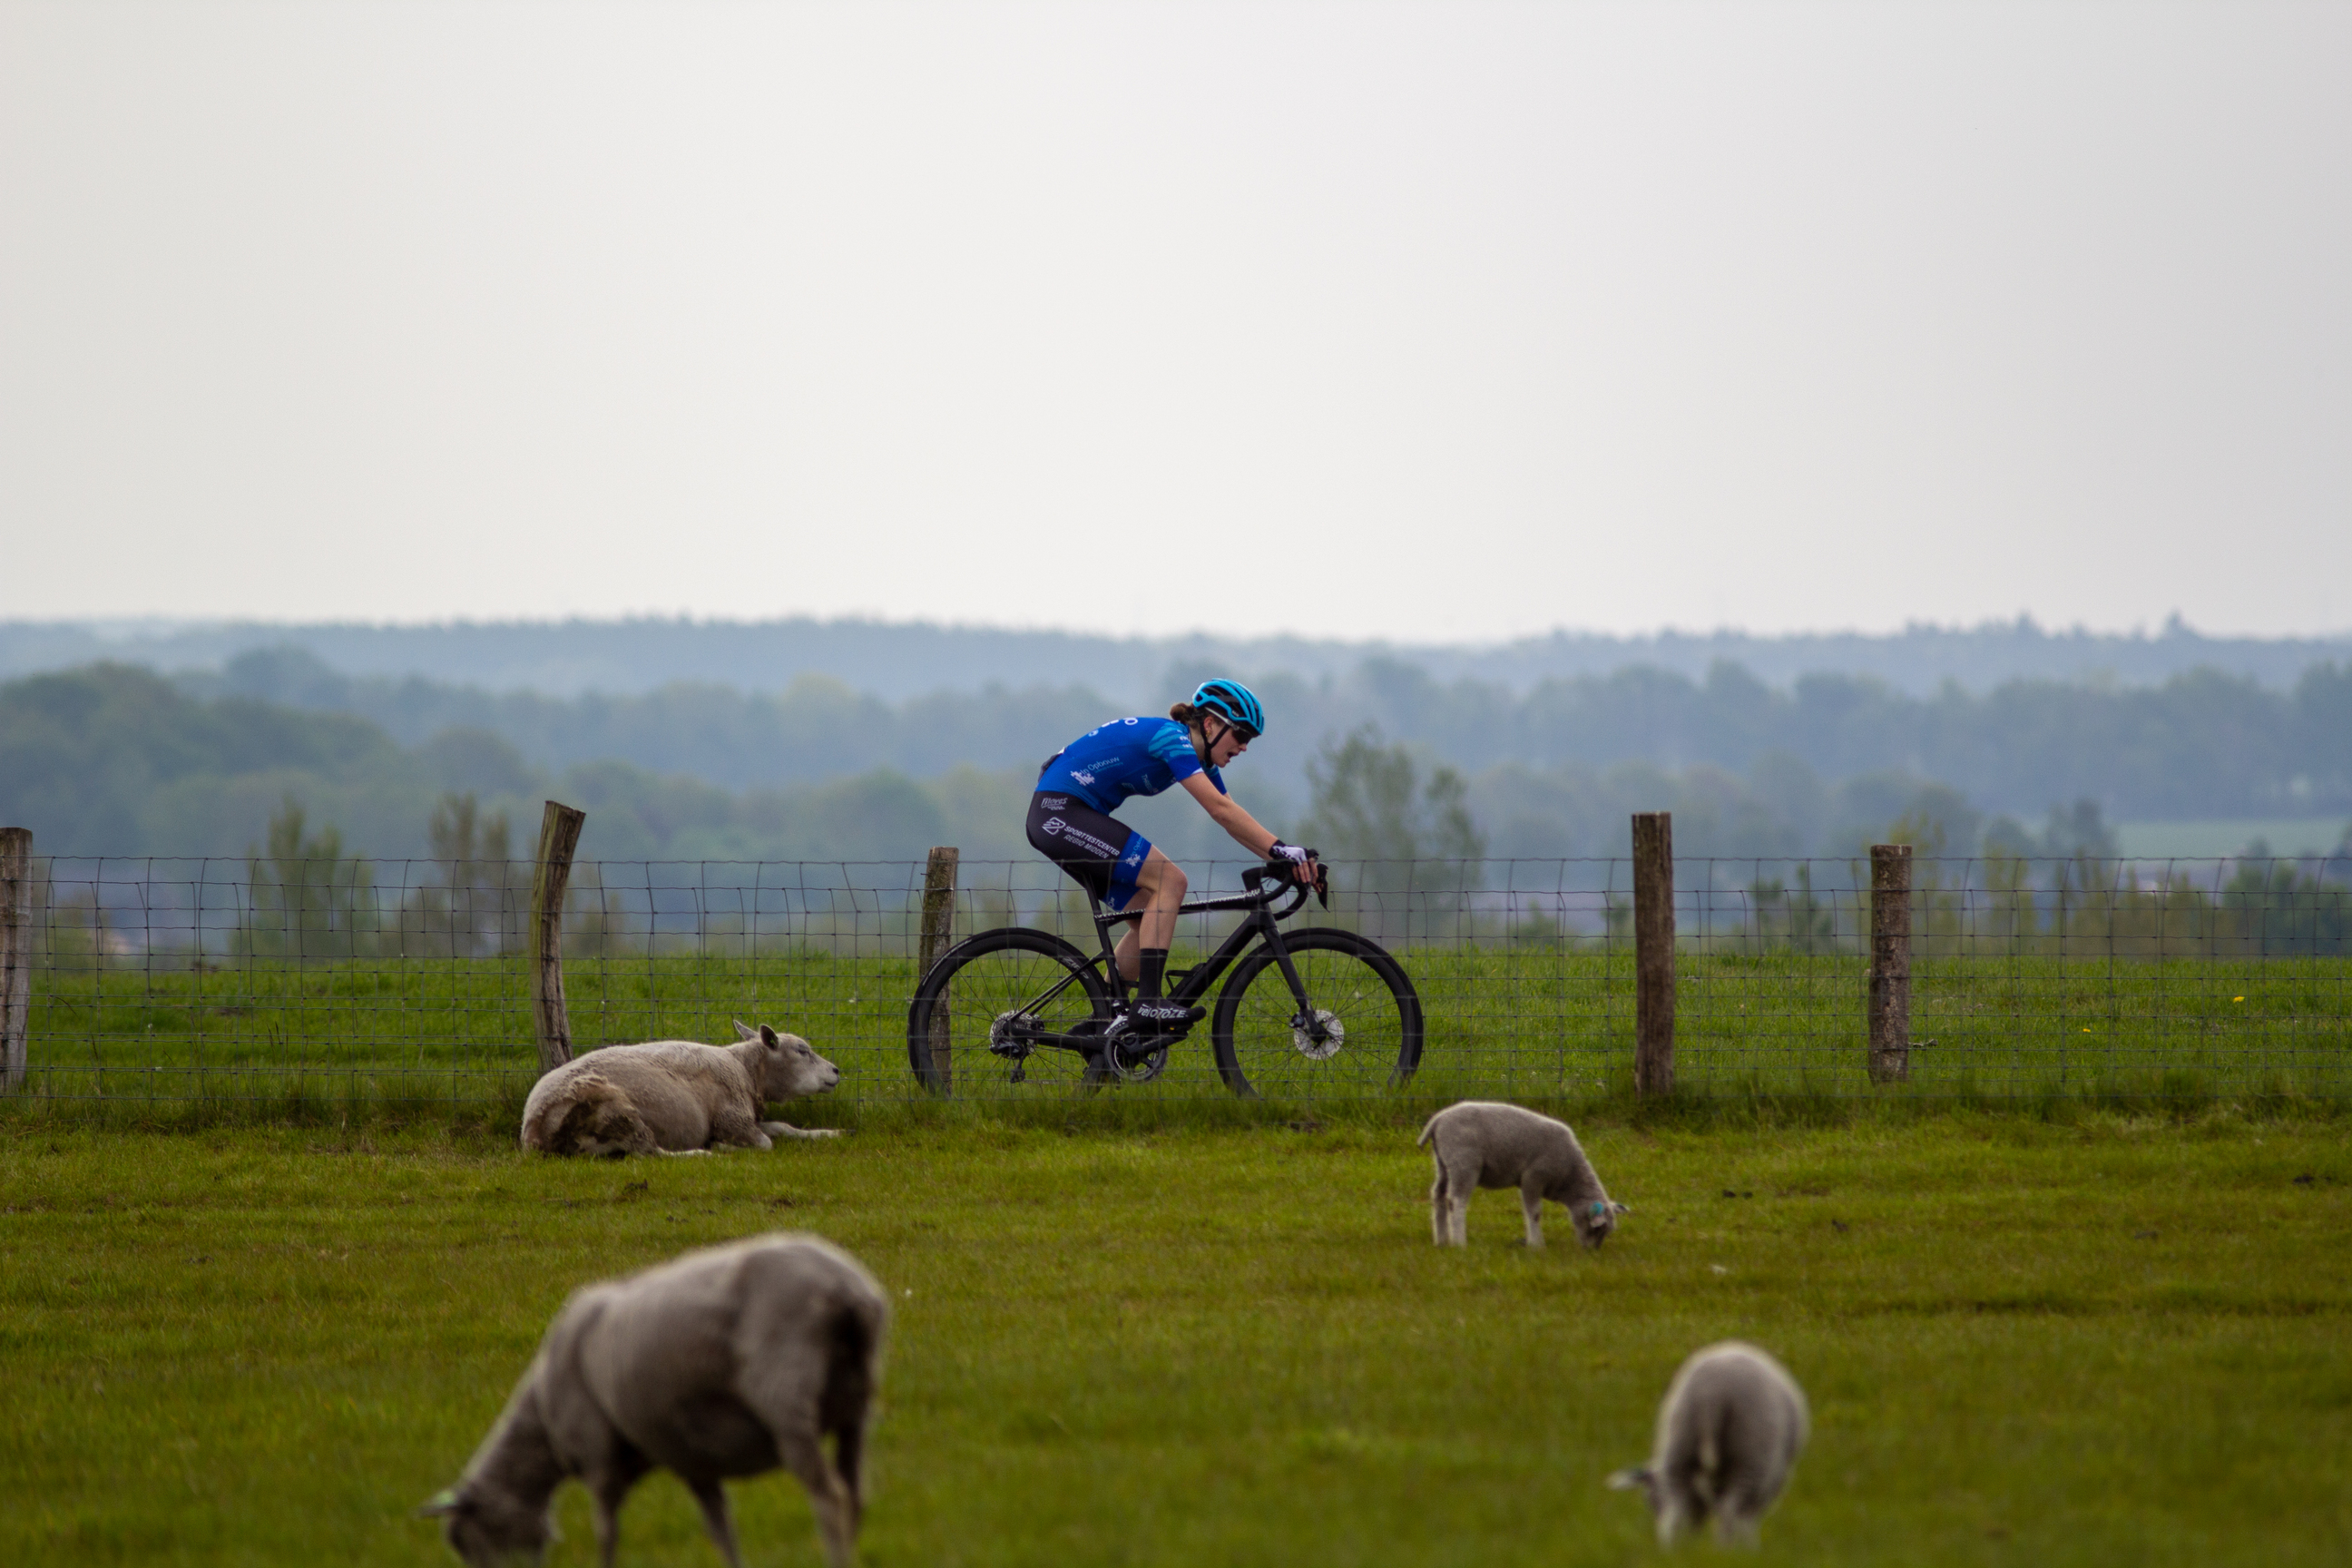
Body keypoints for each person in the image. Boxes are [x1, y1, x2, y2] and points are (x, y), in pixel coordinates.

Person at [1029, 679, 1318, 1061]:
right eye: (1242, 733)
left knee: (1149, 910)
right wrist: (1282, 850)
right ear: (1211, 725)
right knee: (1170, 881)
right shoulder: (1173, 740)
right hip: (1061, 813)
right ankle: (1147, 1002)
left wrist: (1280, 855)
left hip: (1070, 815)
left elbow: (1229, 818)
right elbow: (1220, 810)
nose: (1245, 746)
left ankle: (1105, 1024)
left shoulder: (1198, 757)